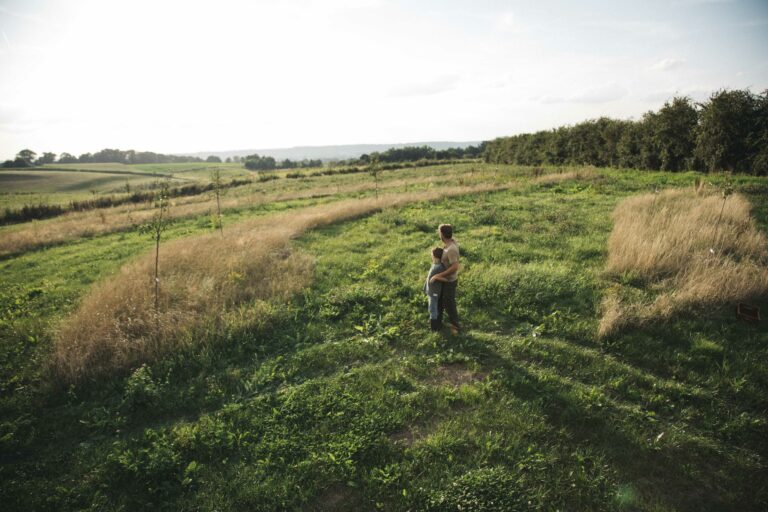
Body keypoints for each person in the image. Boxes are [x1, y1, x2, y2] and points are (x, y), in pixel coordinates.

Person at [430, 223, 461, 333]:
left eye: (439, 233)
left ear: (442, 234)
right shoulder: (449, 244)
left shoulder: (451, 249)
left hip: (449, 281)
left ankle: (456, 326)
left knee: (449, 305)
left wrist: (439, 275)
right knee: (441, 302)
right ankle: (438, 325)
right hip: (445, 280)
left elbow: (455, 266)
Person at [424, 247, 448, 331]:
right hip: (430, 291)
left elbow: (446, 279)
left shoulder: (440, 267)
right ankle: (437, 323)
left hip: (434, 293)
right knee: (434, 308)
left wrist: (436, 277)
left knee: (432, 309)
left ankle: (434, 328)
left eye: (432, 255)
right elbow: (429, 277)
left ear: (436, 257)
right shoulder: (434, 264)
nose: (431, 256)